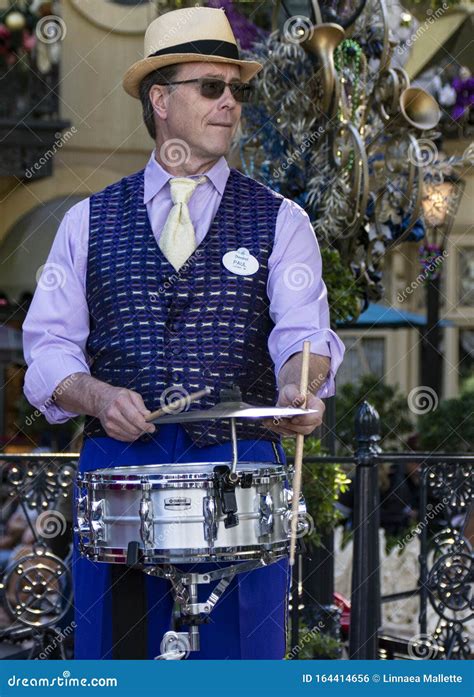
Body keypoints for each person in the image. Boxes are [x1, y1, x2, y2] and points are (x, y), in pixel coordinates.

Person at [22, 6, 345, 660]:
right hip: (119, 472)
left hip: (239, 471)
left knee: (239, 666)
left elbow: (304, 336)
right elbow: (48, 349)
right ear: (160, 99)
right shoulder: (86, 222)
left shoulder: (282, 221)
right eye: (211, 87)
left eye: (237, 90)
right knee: (123, 659)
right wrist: (95, 396)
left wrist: (296, 387)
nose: (230, 103)